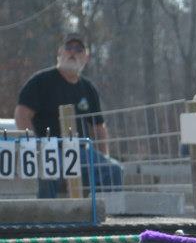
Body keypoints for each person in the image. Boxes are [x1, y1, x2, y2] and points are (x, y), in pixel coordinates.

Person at [14, 33, 123, 197]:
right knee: (47, 172)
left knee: (113, 170)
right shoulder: (41, 81)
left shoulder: (88, 88)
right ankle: (46, 217)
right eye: (69, 48)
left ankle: (103, 215)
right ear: (60, 53)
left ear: (86, 58)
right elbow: (21, 115)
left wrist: (103, 156)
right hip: (48, 148)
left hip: (80, 152)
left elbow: (98, 127)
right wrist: (35, 147)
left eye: (79, 49)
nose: (73, 52)